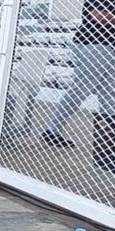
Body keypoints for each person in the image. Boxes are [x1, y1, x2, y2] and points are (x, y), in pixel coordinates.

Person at [42, 0, 115, 150]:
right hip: (94, 45)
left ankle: (108, 139)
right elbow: (97, 16)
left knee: (109, 94)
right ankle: (52, 130)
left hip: (107, 47)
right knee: (80, 90)